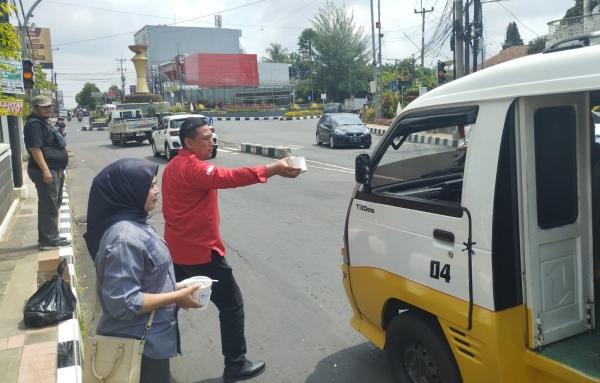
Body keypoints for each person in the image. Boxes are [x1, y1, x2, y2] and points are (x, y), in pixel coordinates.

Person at [161, 118, 301, 382]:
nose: (211, 141)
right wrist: (273, 169)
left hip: (177, 251)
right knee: (231, 304)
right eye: (205, 138)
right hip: (201, 253)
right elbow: (229, 177)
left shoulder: (172, 166)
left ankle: (153, 359)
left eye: (212, 136)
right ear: (188, 143)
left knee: (169, 306)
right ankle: (235, 364)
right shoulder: (193, 168)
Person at [84, 158, 202, 383]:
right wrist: (177, 297)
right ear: (128, 190)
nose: (157, 191)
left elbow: (143, 281)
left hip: (151, 342)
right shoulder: (124, 239)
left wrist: (178, 288)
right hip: (138, 346)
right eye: (149, 186)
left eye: (155, 184)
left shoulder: (135, 222)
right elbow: (124, 302)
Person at [24, 95, 70, 250]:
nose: (48, 109)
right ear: (35, 108)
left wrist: (59, 169)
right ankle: (49, 240)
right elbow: (35, 149)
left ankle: (49, 236)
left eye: (49, 106)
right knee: (48, 205)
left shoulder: (44, 123)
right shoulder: (34, 125)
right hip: (44, 170)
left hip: (54, 169)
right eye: (44, 107)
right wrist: (45, 170)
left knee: (53, 203)